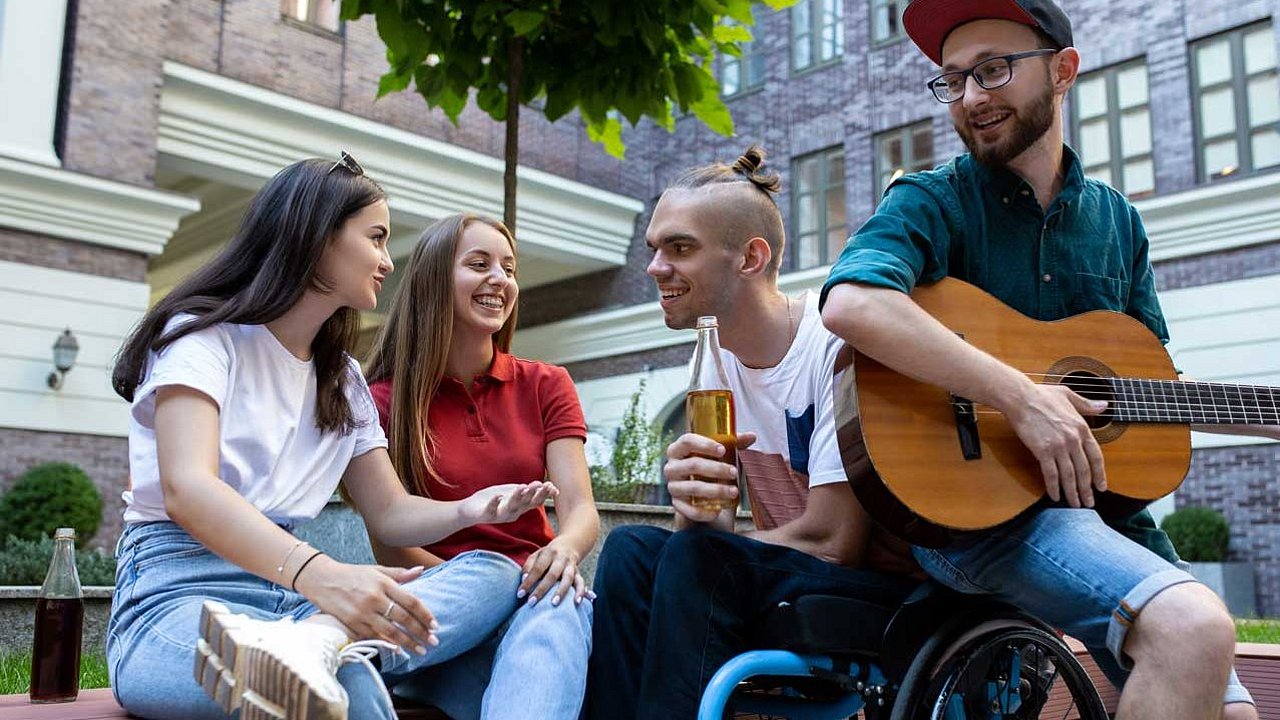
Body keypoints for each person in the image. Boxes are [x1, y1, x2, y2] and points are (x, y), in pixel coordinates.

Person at [820, 2, 1280, 718]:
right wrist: (1020, 397)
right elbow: (852, 303)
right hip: (976, 516)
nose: (971, 97)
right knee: (1192, 627)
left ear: (1063, 70)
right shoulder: (930, 200)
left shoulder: (1116, 221)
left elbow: (1149, 384)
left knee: (1232, 711)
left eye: (993, 69)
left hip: (1108, 518)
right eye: (952, 80)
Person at [107, 155, 556, 720]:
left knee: (492, 571)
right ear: (318, 236)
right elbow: (188, 488)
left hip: (298, 608)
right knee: (343, 688)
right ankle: (322, 644)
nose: (389, 262)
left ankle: (319, 639)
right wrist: (322, 575)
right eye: (376, 238)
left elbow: (390, 514)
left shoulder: (340, 378)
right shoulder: (202, 339)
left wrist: (469, 509)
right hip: (177, 598)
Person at [584, 146, 920, 720]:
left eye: (680, 248)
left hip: (879, 591)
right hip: (776, 577)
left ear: (750, 257)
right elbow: (710, 531)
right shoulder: (714, 364)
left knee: (691, 560)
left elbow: (834, 542)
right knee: (629, 549)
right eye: (654, 249)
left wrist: (700, 546)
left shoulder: (833, 344)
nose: (655, 268)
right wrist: (695, 504)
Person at [361, 213, 598, 720]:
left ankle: (339, 652)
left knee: (560, 604)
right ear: (434, 281)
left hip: (533, 600)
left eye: (508, 268)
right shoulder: (381, 401)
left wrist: (562, 552)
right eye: (479, 263)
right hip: (439, 609)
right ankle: (342, 643)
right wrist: (491, 593)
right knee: (497, 581)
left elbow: (579, 509)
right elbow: (392, 542)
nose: (500, 279)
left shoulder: (545, 384)